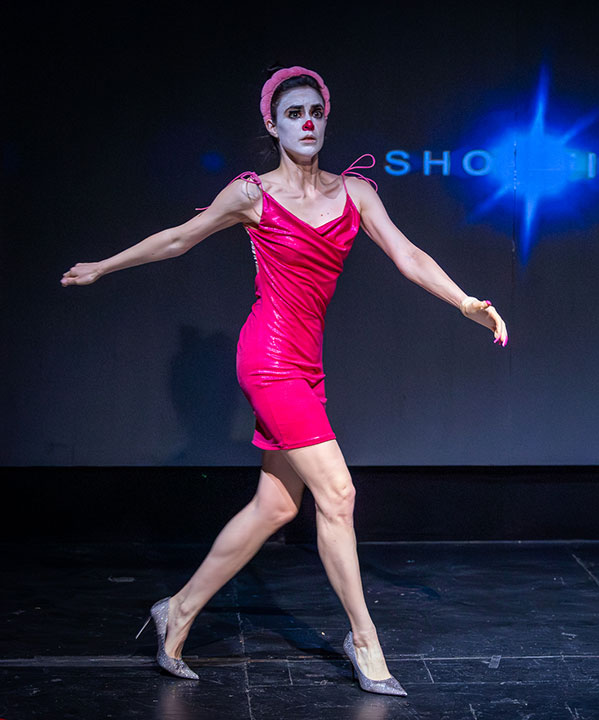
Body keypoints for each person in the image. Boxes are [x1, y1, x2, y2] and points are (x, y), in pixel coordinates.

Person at [60, 65, 509, 697]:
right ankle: (364, 640)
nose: (306, 123)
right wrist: (103, 266)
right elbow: (179, 240)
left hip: (306, 363)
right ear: (272, 126)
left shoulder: (355, 193)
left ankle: (177, 611)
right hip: (268, 357)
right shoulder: (252, 195)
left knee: (275, 505)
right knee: (339, 494)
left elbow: (408, 256)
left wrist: (464, 302)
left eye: (315, 112)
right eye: (293, 114)